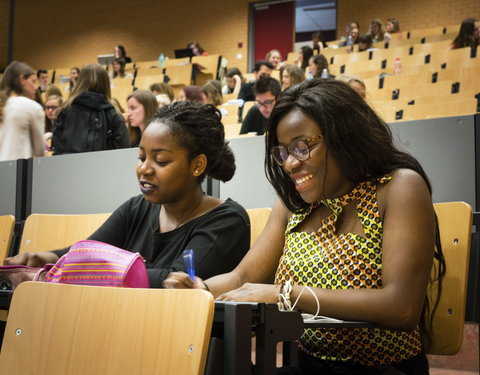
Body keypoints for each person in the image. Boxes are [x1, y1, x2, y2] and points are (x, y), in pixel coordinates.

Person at [165, 78, 445, 375]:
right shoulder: (293, 205)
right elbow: (244, 276)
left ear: (343, 135)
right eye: (283, 153)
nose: (288, 165)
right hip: (311, 367)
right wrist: (202, 288)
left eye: (301, 147)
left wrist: (284, 294)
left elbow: (401, 307)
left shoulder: (399, 188)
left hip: (384, 369)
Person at [5, 101, 251, 288]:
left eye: (161, 160)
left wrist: (83, 270)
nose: (144, 169)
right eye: (141, 157)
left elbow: (175, 283)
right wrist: (47, 258)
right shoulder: (137, 208)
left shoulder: (226, 221)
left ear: (197, 165)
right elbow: (90, 251)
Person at [52, 64, 130, 154]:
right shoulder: (114, 115)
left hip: (69, 167)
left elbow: (57, 149)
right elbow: (123, 153)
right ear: (105, 84)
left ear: (80, 82)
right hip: (103, 167)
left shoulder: (64, 111)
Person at [0, 61, 45, 161]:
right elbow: (39, 151)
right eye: (33, 81)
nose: (35, 87)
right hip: (16, 171)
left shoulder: (3, 104)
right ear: (22, 80)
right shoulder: (31, 107)